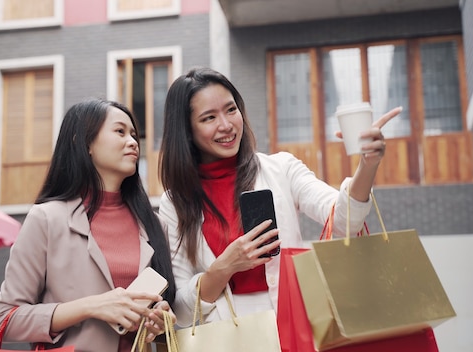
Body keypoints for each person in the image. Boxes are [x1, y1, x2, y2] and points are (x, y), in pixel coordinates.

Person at [158, 67, 401, 327]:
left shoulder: (281, 169)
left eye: (231, 110)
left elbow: (344, 221)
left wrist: (368, 164)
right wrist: (225, 266)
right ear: (187, 131)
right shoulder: (174, 202)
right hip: (228, 339)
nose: (227, 125)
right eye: (209, 118)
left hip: (293, 329)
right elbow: (181, 312)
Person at [0, 98, 176, 351]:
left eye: (134, 134)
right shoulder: (46, 219)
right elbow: (7, 319)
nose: (133, 142)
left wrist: (159, 321)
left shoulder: (155, 225)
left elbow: (157, 321)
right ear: (85, 143)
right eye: (120, 131)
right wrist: (92, 306)